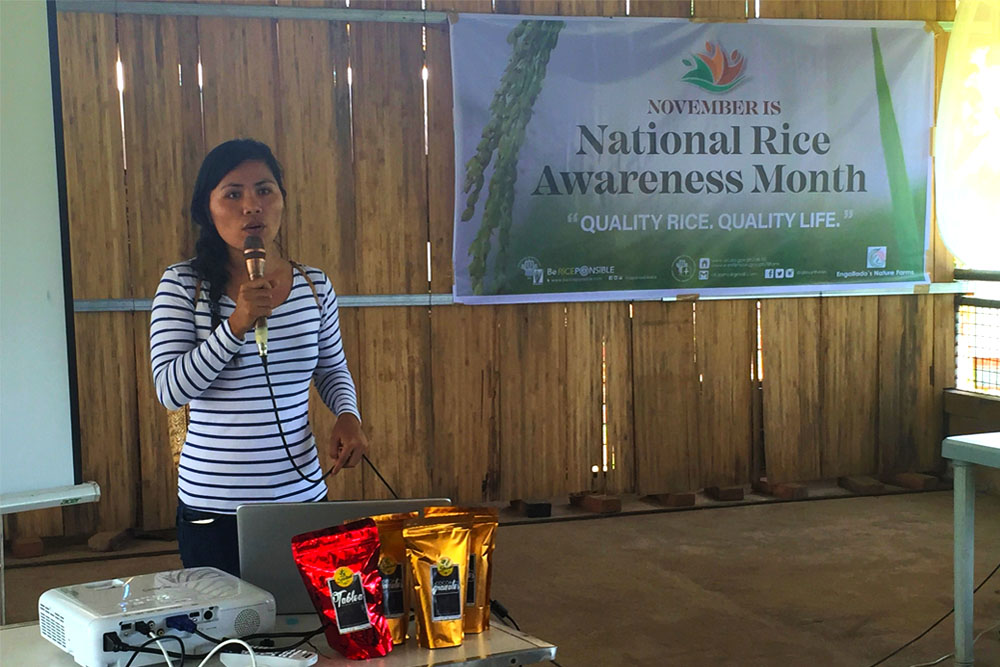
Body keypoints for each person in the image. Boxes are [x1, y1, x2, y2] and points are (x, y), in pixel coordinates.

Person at [150, 139, 368, 575]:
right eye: (233, 194)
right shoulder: (181, 285)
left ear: (282, 201)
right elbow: (171, 389)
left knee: (304, 628)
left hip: (301, 496)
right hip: (215, 506)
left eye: (265, 190)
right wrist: (236, 325)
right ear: (207, 209)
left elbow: (331, 367)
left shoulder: (313, 285)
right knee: (229, 638)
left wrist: (348, 414)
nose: (252, 206)